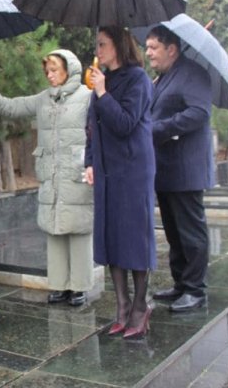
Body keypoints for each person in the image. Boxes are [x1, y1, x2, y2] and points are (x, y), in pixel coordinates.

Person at [0, 49, 93, 307]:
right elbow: (13, 106)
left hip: (77, 172)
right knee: (54, 230)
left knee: (79, 229)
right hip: (51, 174)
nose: (49, 75)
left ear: (69, 70)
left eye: (54, 70)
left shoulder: (89, 97)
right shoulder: (43, 99)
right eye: (47, 71)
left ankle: (80, 287)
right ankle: (59, 286)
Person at [85, 26, 156, 339]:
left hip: (132, 168)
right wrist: (89, 161)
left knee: (133, 237)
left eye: (103, 44)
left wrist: (102, 93)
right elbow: (92, 127)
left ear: (119, 45)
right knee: (112, 236)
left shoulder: (138, 79)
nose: (98, 49)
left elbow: (126, 123)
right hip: (106, 169)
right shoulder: (101, 79)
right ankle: (122, 307)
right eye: (97, 44)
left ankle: (141, 306)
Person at [147, 25, 213, 312]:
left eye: (153, 48)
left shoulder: (193, 74)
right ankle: (180, 284)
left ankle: (196, 290)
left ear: (171, 49)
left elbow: (199, 112)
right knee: (173, 232)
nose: (148, 53)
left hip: (186, 169)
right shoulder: (161, 78)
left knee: (190, 232)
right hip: (165, 169)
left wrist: (161, 129)